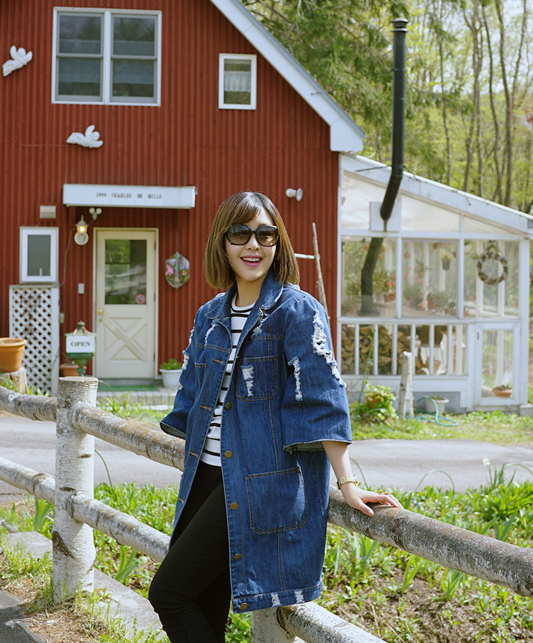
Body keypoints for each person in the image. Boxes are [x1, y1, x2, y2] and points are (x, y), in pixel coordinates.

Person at [148, 191, 401, 642]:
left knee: (169, 593)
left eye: (265, 234)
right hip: (204, 477)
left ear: (278, 242)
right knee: (203, 604)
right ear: (222, 243)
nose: (253, 245)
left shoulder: (296, 311)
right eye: (240, 233)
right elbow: (195, 398)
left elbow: (322, 399)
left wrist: (347, 483)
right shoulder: (210, 316)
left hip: (256, 482)